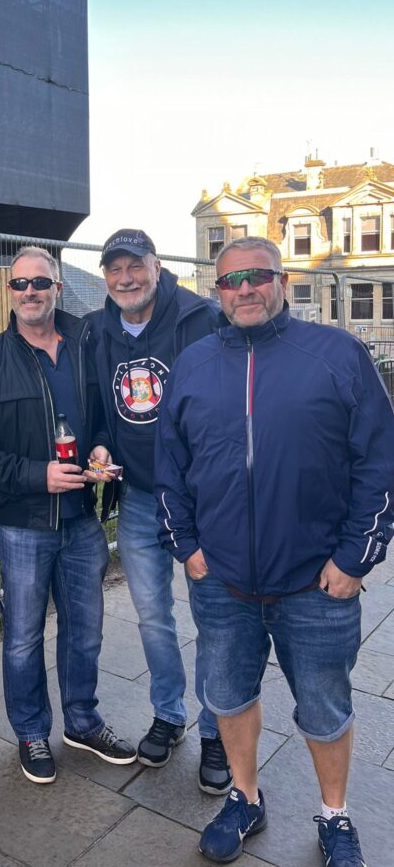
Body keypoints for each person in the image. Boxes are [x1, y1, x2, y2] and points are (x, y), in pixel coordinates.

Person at [155, 237, 394, 866]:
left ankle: (335, 815)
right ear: (216, 292)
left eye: (257, 276)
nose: (244, 290)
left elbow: (379, 461)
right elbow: (169, 467)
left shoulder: (336, 354)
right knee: (229, 697)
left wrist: (355, 559)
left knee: (324, 707)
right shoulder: (195, 364)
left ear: (282, 280)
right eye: (230, 281)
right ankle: (245, 797)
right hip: (222, 582)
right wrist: (188, 549)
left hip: (316, 583)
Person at [0, 246, 137, 784]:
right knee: (24, 637)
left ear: (57, 287)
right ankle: (31, 730)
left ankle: (82, 721)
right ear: (9, 292)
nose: (29, 292)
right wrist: (37, 475)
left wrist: (100, 446)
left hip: (81, 518)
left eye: (40, 282)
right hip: (22, 523)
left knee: (85, 631)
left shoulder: (86, 345)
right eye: (20, 284)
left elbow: (106, 415)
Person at [86, 228, 230, 794]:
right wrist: (101, 444)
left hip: (202, 501)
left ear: (156, 265)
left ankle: (218, 728)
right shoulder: (98, 329)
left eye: (135, 266)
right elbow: (100, 408)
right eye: (114, 269)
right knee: (152, 615)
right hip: (140, 497)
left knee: (214, 617)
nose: (125, 279)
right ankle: (168, 713)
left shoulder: (202, 318)